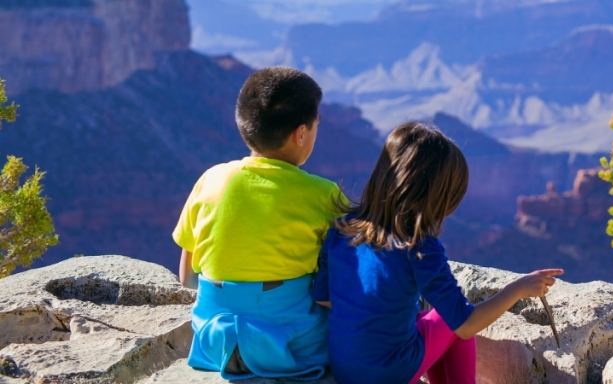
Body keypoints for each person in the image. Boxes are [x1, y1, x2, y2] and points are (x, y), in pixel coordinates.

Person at [312, 122, 563, 384]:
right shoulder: (418, 246)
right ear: (436, 195)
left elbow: (323, 299)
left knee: (425, 319)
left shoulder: (342, 228)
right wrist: (519, 288)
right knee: (448, 319)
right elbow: (465, 324)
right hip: (390, 373)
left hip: (345, 370)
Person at [172, 66, 346, 381]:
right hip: (293, 349)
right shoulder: (325, 195)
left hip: (216, 343)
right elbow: (346, 279)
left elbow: (186, 276)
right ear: (301, 133)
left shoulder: (211, 179)